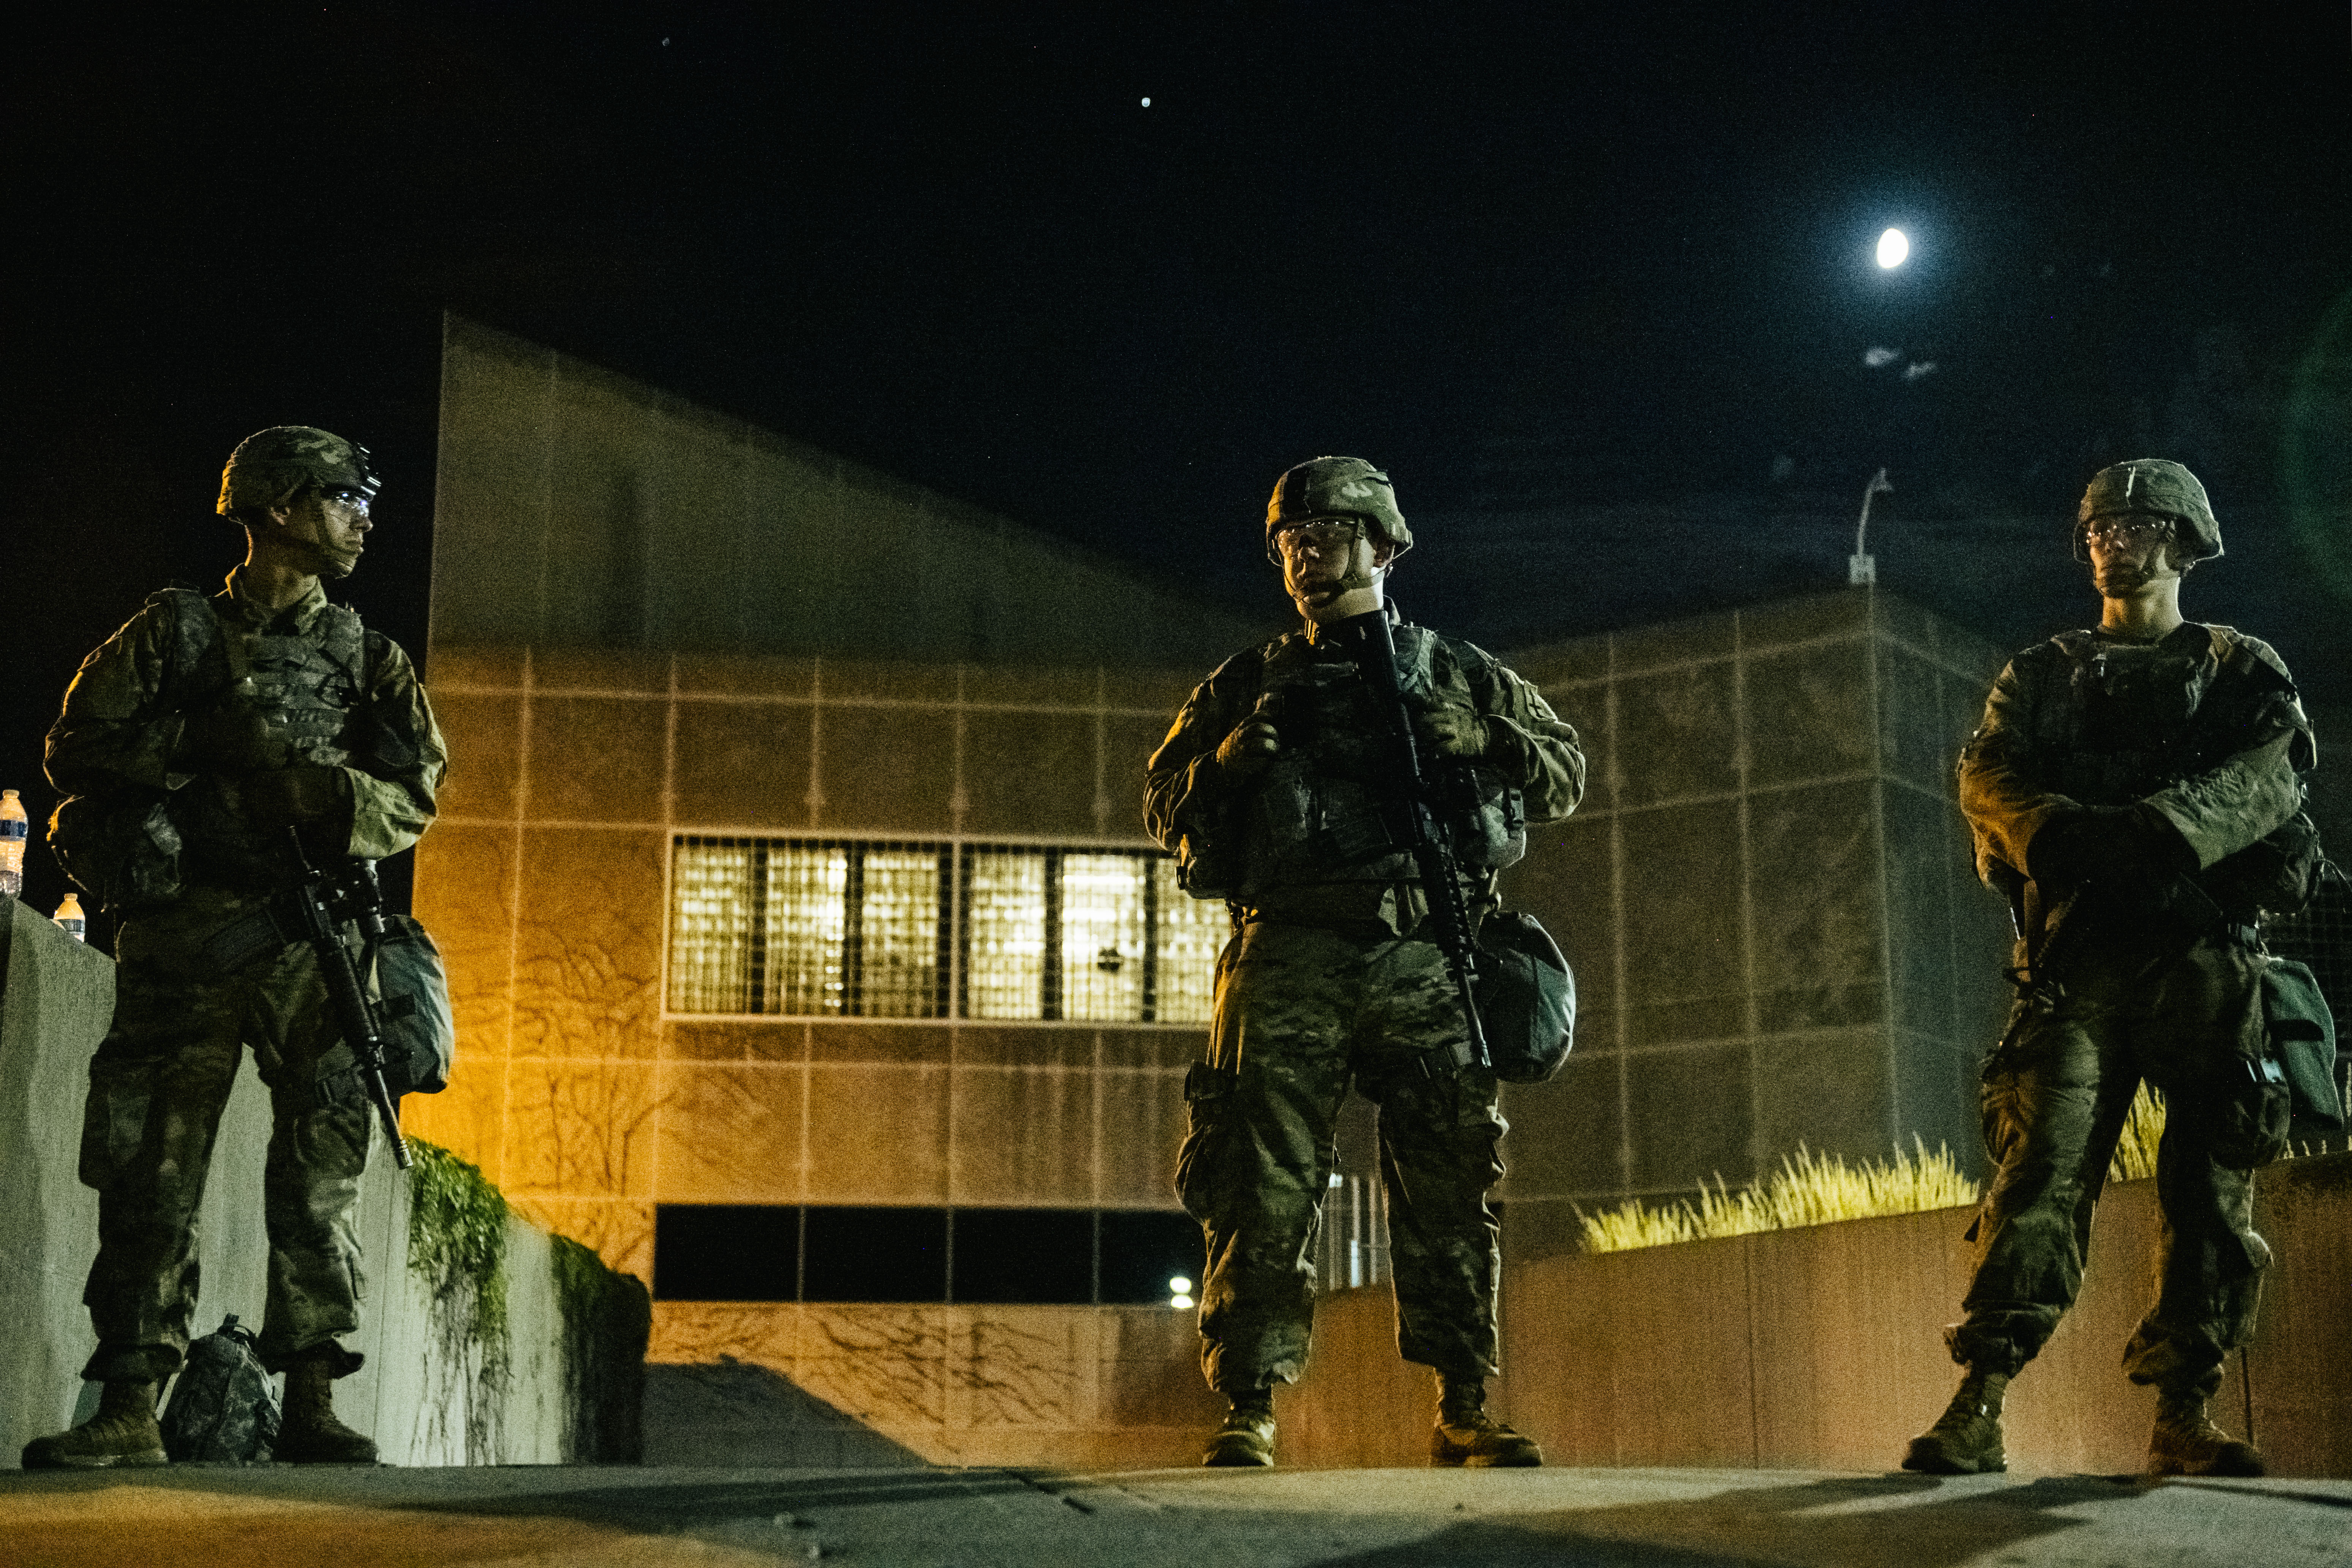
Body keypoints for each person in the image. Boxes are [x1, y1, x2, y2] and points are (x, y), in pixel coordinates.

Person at [1144, 456, 1585, 1467]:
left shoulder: (1459, 672)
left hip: (1427, 947)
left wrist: (1482, 737)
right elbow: (1164, 803)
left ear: (1382, 545)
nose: (1305, 556)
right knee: (1261, 1183)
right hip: (1290, 947)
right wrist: (1227, 765)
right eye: (1291, 542)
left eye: (1327, 536)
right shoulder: (1249, 682)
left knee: (1451, 1177)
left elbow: (1565, 771)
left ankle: (1464, 1402)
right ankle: (1249, 1403)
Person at [25, 427, 447, 1468]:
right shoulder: (173, 637)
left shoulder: (366, 656)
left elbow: (418, 790)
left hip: (312, 940)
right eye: (346, 497)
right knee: (152, 1170)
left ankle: (312, 1395)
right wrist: (191, 758)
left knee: (321, 1174)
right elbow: (76, 748)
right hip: (188, 937)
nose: (362, 519)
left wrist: (334, 796)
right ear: (281, 507)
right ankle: (129, 1402)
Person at [1905, 458, 2315, 1479]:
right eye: (2097, 525)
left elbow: (2271, 773)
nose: (2107, 540)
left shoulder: (2237, 668)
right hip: (2077, 960)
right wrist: (2058, 833)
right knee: (2039, 1176)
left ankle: (2186, 1410)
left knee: (2213, 1194)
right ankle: (1982, 1397)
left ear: (2180, 538)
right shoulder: (2040, 675)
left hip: (2201, 958)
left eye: (2132, 524)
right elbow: (1987, 772)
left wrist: (2162, 832)